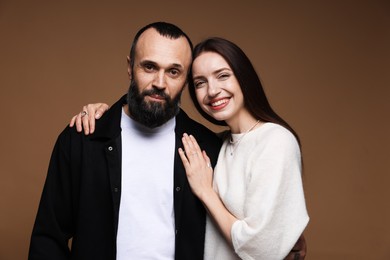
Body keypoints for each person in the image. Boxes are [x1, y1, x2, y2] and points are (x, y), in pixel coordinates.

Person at [70, 37, 309, 259]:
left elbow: (263, 248)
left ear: (243, 77)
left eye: (223, 75)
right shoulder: (216, 144)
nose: (213, 91)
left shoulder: (275, 140)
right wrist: (104, 113)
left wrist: (206, 192)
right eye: (200, 83)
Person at [29, 22, 222, 260]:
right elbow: (48, 240)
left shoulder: (209, 148)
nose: (160, 83)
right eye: (149, 67)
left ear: (186, 79)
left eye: (173, 71)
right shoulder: (82, 139)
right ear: (130, 67)